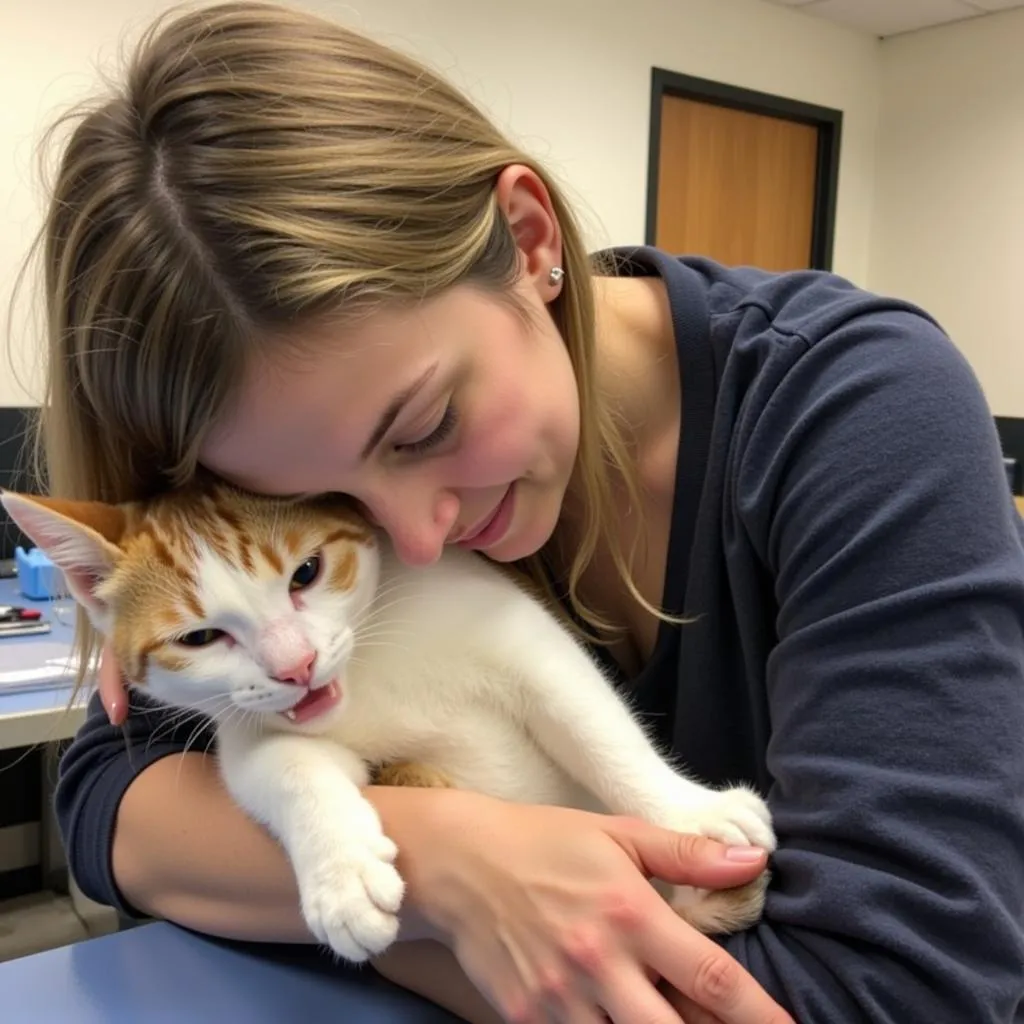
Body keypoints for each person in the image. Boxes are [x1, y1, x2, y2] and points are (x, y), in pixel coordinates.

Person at [28, 2, 1024, 1021]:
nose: (414, 539)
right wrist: (447, 868)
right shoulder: (284, 559)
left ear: (530, 238)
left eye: (423, 423)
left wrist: (412, 927)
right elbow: (111, 791)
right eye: (313, 498)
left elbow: (907, 989)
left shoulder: (858, 406)